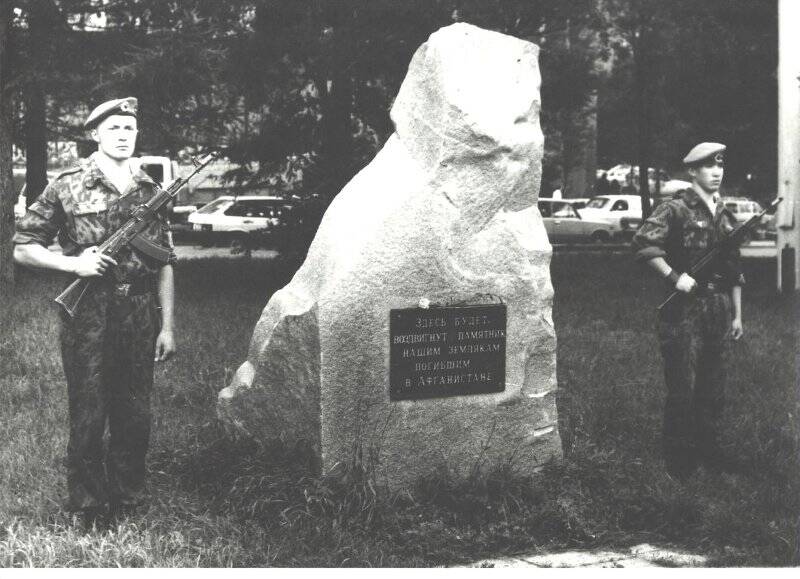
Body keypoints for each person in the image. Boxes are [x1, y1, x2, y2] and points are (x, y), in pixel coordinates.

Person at [13, 97, 177, 525]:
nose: (123, 135)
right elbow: (24, 247)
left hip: (140, 312)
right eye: (114, 128)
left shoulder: (151, 191)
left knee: (134, 409)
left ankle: (129, 498)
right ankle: (86, 505)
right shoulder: (67, 184)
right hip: (88, 312)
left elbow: (165, 261)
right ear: (95, 134)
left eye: (130, 128)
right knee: (89, 409)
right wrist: (73, 264)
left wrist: (169, 327)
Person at [632, 142, 744, 479]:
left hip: (719, 308)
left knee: (714, 384)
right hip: (683, 308)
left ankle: (709, 453)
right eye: (708, 167)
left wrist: (738, 314)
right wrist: (673, 277)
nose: (716, 172)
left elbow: (734, 267)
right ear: (692, 171)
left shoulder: (725, 213)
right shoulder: (675, 209)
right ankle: (679, 463)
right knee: (683, 385)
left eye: (720, 167)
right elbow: (644, 245)